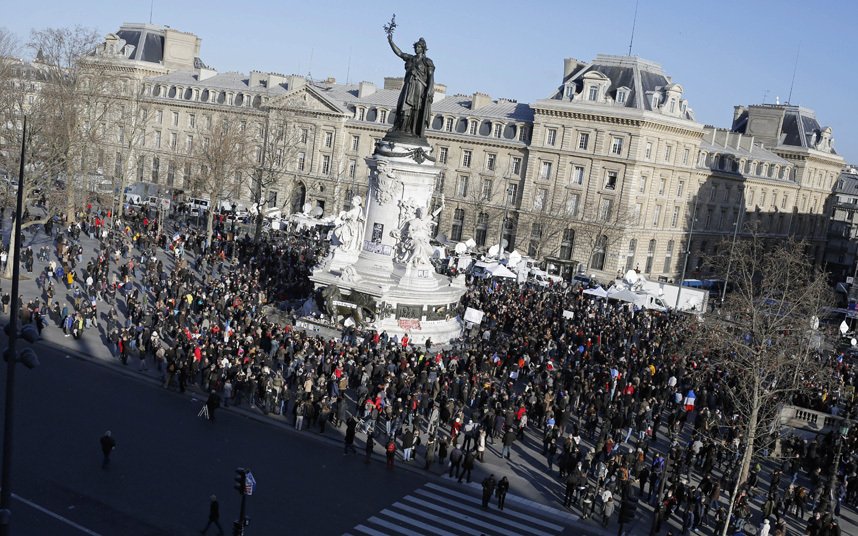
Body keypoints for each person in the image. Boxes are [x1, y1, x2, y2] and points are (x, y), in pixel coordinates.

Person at [384, 19, 434, 139]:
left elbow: (431, 78)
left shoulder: (427, 62)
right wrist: (391, 41)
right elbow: (400, 53)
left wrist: (429, 91)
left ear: (423, 48)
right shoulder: (411, 58)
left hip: (419, 87)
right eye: (416, 46)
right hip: (408, 85)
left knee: (415, 108)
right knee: (403, 105)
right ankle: (400, 127)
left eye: (419, 47)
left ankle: (412, 130)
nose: (416, 48)